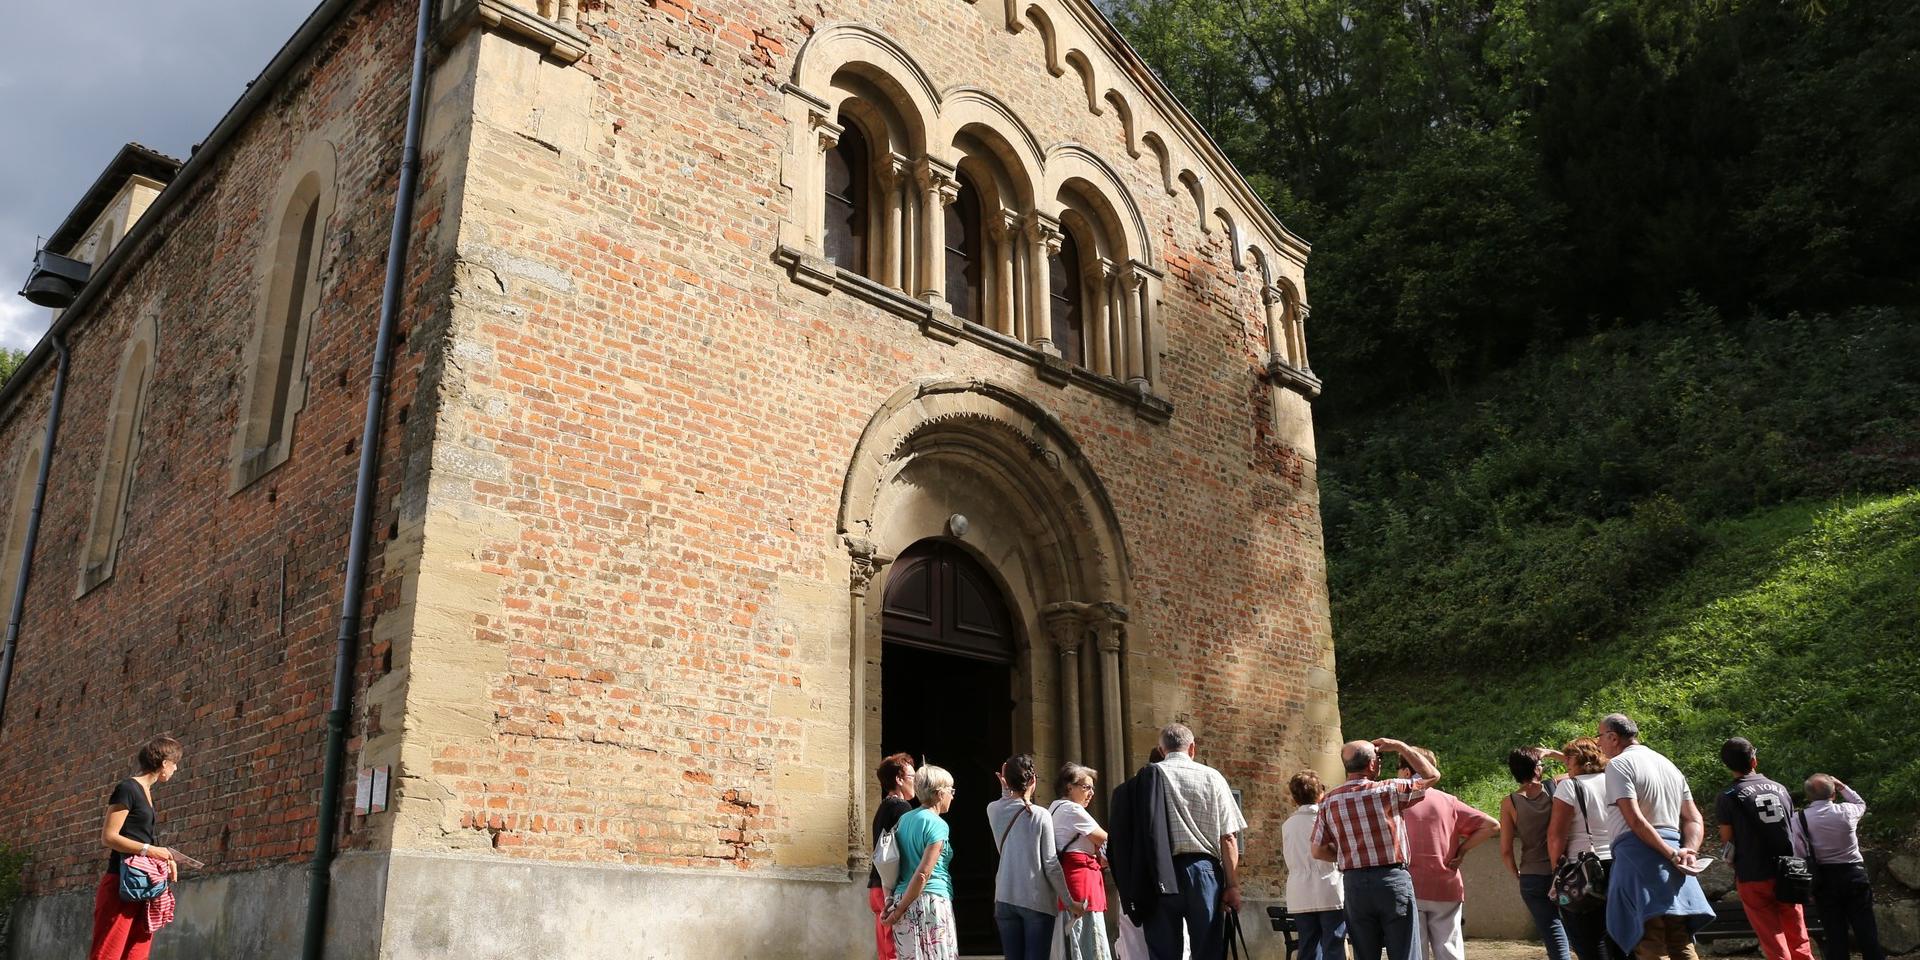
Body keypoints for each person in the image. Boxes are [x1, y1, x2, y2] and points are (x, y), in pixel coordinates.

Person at [1310, 737, 1441, 960]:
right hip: (1391, 879)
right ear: (1372, 765)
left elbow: (1317, 850)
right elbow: (1431, 775)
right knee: (1404, 951)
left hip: (1354, 883)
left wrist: (1346, 855)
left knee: (1365, 953)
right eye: (1378, 758)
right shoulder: (1389, 789)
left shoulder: (1329, 801)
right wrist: (1399, 746)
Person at [1595, 713, 1713, 960]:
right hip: (1675, 860)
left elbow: (1635, 820)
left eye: (1599, 737)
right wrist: (1688, 851)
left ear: (1613, 737)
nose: (1598, 744)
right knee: (1679, 938)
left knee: (1649, 940)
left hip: (1639, 857)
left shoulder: (1618, 765)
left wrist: (1672, 854)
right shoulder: (1668, 764)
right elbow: (1693, 818)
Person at [1145, 723, 1248, 960]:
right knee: (1207, 950)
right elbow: (1228, 837)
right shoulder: (1212, 777)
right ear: (1192, 748)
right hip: (1204, 871)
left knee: (1163, 951)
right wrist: (1232, 886)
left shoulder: (1149, 776)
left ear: (1161, 751)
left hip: (1160, 872)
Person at [1714, 738, 1813, 960]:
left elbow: (1727, 840)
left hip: (1753, 873)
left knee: (1772, 939)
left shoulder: (1727, 797)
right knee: (1798, 935)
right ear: (1754, 760)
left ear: (1728, 766)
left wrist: (1731, 860)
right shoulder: (1780, 788)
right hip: (1789, 871)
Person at [1398, 747, 1496, 960]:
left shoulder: (1396, 800)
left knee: (1416, 951)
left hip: (1408, 885)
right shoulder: (1448, 801)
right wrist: (1461, 850)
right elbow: (1492, 825)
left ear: (1406, 773)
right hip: (1445, 884)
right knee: (1450, 949)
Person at [91, 735, 183, 960]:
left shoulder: (147, 793)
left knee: (136, 954)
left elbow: (142, 839)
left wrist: (166, 858)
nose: (176, 768)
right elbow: (109, 837)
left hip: (146, 887)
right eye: (175, 763)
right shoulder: (128, 788)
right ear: (164, 764)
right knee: (108, 954)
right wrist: (152, 850)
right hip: (121, 884)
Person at [988, 755, 1079, 960]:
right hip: (1036, 899)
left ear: (1006, 781)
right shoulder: (1040, 815)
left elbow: (1006, 805)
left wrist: (1007, 788)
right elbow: (1051, 864)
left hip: (1004, 896)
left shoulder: (993, 810)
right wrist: (1069, 901)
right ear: (1032, 781)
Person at [1791, 775, 1884, 960]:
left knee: (1834, 934)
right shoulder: (1847, 811)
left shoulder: (1798, 819)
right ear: (1833, 793)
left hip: (1823, 879)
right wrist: (1843, 786)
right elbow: (1860, 803)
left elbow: (1799, 852)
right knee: (1866, 930)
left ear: (1808, 796)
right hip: (1853, 874)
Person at [1550, 737, 1621, 960]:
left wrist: (1557, 869)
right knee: (1618, 934)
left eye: (1568, 758)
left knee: (1588, 937)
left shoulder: (1569, 787)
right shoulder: (1614, 781)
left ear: (1576, 759)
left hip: (1583, 867)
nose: (1565, 764)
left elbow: (1556, 834)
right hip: (1619, 862)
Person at [1112, 746, 1183, 960]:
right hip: (1164, 884)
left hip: (1132, 887)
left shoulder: (1121, 792)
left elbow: (1114, 845)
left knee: (1139, 947)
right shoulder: (1159, 790)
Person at [884, 765, 960, 960]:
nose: (952, 795)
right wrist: (899, 909)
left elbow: (888, 864)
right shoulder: (938, 824)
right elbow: (923, 873)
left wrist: (892, 903)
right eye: (951, 790)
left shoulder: (904, 820)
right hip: (931, 901)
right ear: (939, 792)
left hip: (902, 898)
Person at [1504, 746, 1573, 960]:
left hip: (1531, 877)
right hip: (1564, 873)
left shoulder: (1509, 802)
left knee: (1553, 933)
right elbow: (1582, 766)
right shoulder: (1556, 787)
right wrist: (1550, 753)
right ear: (1536, 769)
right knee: (1577, 929)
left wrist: (1517, 872)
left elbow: (1505, 850)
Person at [1281, 770, 1345, 960]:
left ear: (1294, 798)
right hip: (1329, 887)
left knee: (1307, 946)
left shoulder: (1288, 824)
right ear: (1321, 793)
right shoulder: (1328, 819)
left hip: (1299, 891)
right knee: (1333, 944)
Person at [1049, 763, 1111, 960]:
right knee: (1087, 943)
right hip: (1081, 886)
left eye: (1093, 788)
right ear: (1069, 787)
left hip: (1068, 883)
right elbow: (1108, 841)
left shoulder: (1053, 808)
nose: (1091, 793)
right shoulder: (1072, 810)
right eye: (1086, 787)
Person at [870, 752, 919, 960]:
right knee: (896, 950)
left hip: (876, 885)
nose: (915, 782)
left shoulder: (884, 807)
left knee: (885, 950)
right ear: (899, 780)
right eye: (912, 777)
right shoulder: (901, 807)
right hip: (889, 886)